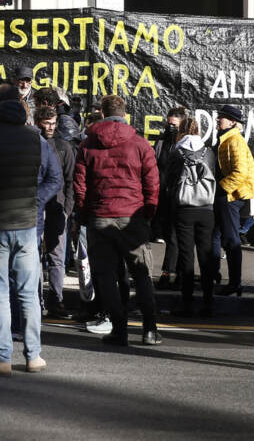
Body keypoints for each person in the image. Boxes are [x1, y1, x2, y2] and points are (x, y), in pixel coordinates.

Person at [0, 84, 62, 376]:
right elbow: (54, 178)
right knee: (28, 293)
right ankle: (33, 355)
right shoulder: (35, 138)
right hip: (27, 223)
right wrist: (35, 201)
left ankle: (1, 356)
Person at [74, 94, 161, 347]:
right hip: (132, 216)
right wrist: (148, 213)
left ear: (102, 113)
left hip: (100, 217)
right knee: (141, 273)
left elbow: (80, 186)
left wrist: (85, 214)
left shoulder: (88, 144)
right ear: (125, 114)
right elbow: (152, 183)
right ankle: (150, 329)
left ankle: (119, 330)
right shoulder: (140, 144)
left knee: (106, 277)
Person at [166, 117, 219, 319]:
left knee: (186, 256)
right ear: (198, 131)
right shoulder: (209, 152)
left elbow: (168, 180)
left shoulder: (176, 152)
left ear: (181, 131)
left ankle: (187, 303)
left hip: (184, 208)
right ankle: (208, 303)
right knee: (206, 256)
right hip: (206, 209)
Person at [35, 105, 76, 320]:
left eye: (53, 123)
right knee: (34, 257)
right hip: (36, 208)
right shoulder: (33, 144)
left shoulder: (63, 146)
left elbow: (71, 180)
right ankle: (35, 300)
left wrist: (67, 209)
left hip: (57, 209)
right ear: (38, 123)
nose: (50, 127)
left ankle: (56, 300)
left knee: (56, 257)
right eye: (47, 123)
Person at [213, 104, 254, 296]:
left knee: (231, 239)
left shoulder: (234, 141)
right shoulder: (226, 138)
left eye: (221, 117)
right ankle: (213, 274)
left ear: (232, 122)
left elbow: (240, 172)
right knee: (215, 235)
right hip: (226, 195)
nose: (218, 120)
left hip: (231, 196)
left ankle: (235, 283)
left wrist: (222, 188)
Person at [154, 106, 189, 289]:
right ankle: (175, 272)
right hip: (163, 194)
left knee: (176, 236)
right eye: (169, 124)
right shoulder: (162, 141)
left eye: (174, 124)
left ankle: (171, 273)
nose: (170, 127)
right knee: (170, 235)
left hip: (179, 196)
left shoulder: (186, 144)